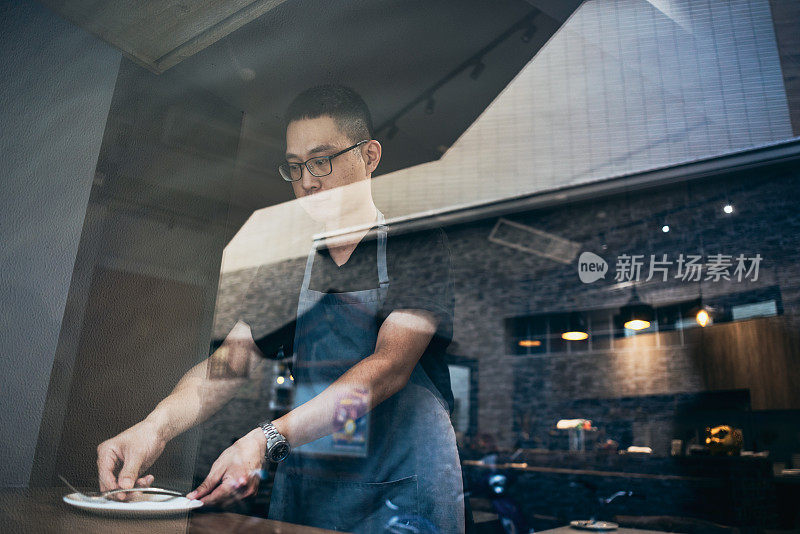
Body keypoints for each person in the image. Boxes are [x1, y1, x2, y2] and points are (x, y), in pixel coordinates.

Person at [96, 85, 465, 533]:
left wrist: (268, 438)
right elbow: (229, 364)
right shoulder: (291, 269)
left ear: (369, 156)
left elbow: (388, 368)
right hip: (313, 487)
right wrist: (155, 428)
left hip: (402, 490)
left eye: (321, 160)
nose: (308, 180)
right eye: (295, 167)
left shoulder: (416, 244)